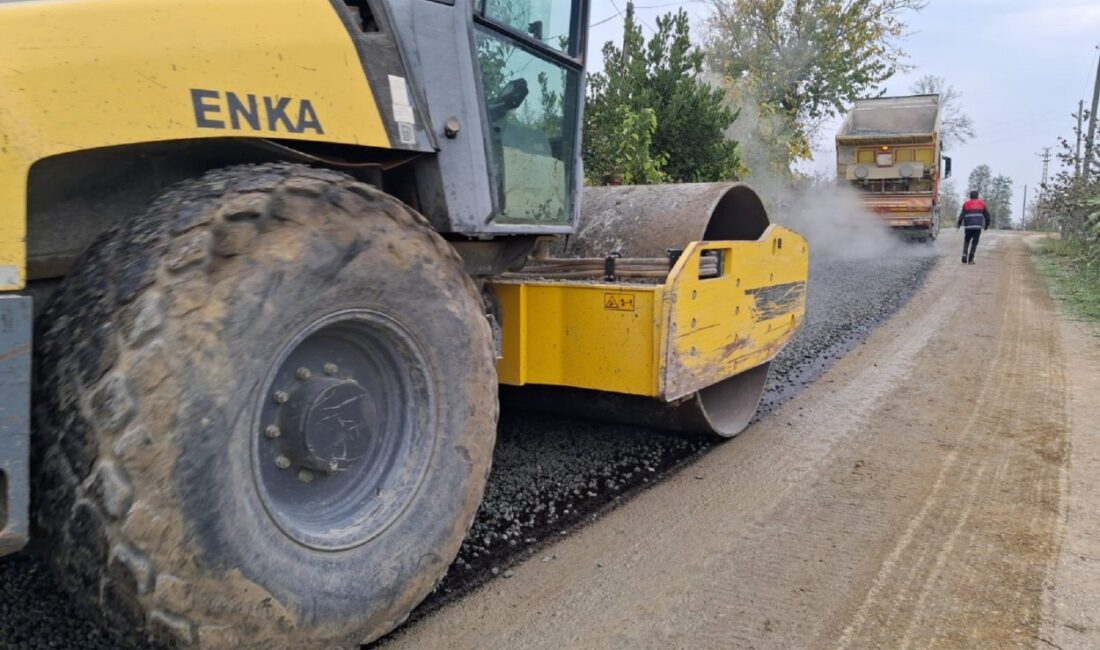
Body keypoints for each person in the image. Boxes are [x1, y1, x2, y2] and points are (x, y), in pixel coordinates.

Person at [957, 190, 990, 264]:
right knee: (974, 242)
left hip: (968, 226)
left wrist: (959, 224)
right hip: (977, 227)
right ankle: (971, 259)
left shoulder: (966, 204)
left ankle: (964, 255)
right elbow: (987, 215)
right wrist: (986, 225)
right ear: (977, 196)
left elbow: (962, 215)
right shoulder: (982, 204)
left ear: (970, 196)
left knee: (967, 241)